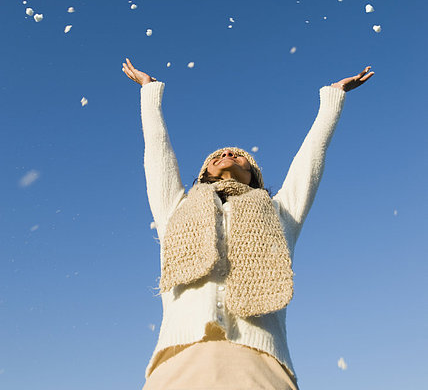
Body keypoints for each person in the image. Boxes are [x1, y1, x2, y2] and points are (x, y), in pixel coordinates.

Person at [122, 58, 374, 390]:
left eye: (238, 155)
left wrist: (333, 97)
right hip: (181, 359)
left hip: (259, 361)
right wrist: (150, 92)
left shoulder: (279, 213)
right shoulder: (177, 208)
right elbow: (157, 154)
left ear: (254, 175)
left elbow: (311, 160)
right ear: (203, 175)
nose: (227, 153)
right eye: (217, 155)